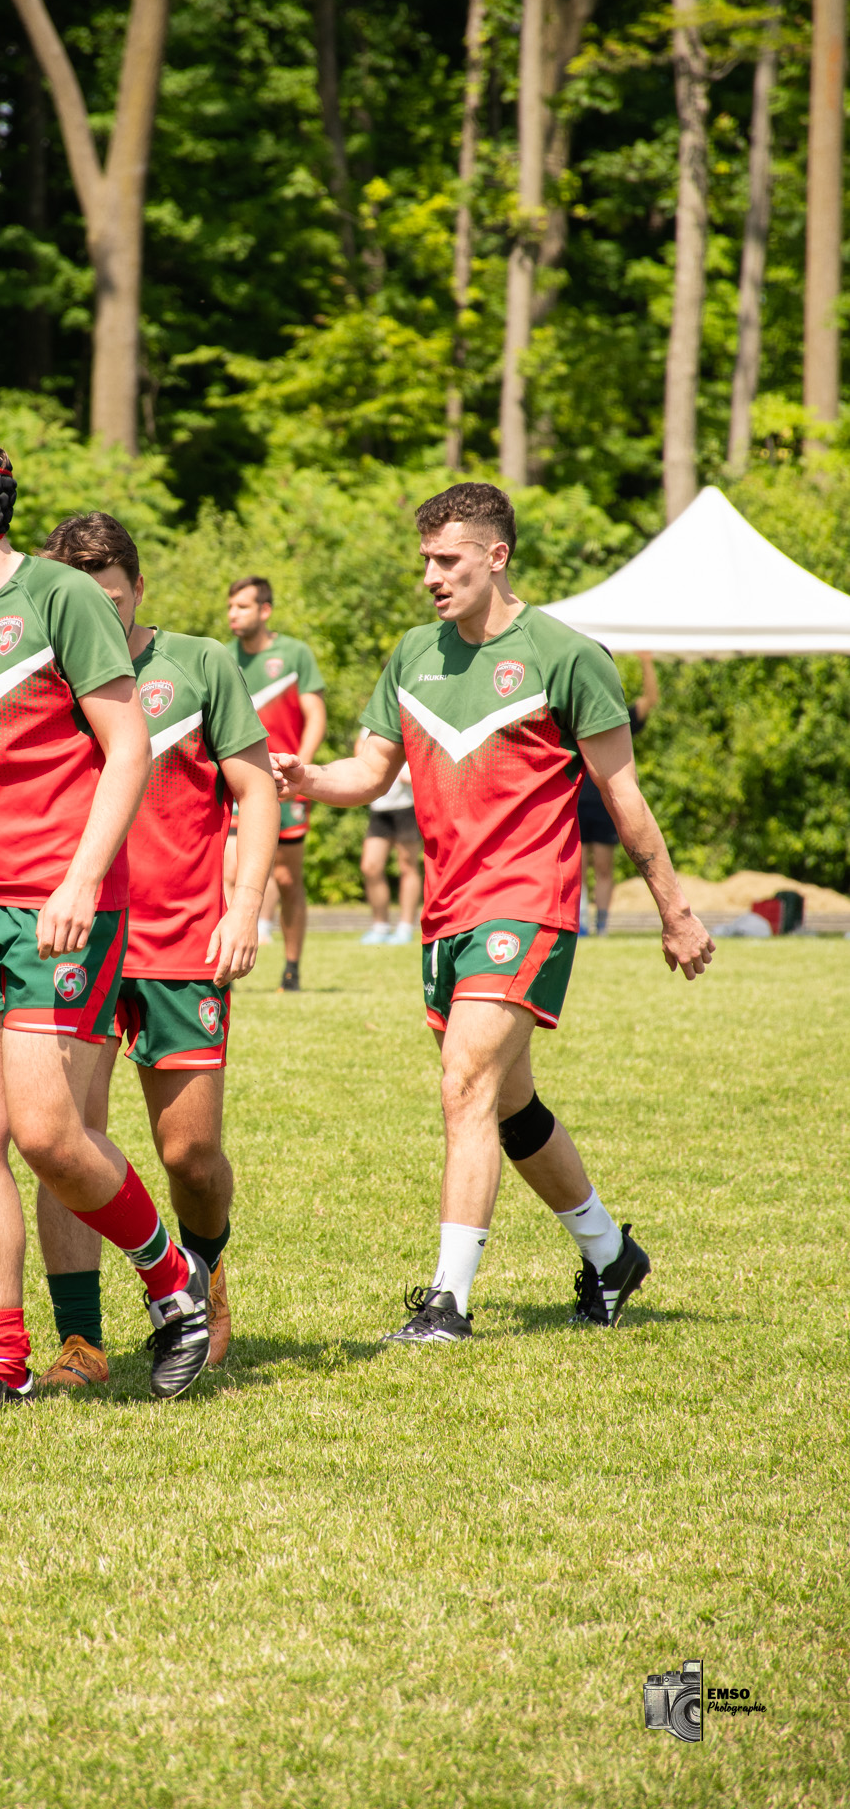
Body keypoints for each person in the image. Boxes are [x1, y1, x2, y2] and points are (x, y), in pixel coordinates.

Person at [273, 481, 713, 1343]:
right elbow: (368, 773)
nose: (431, 577)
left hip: (528, 902)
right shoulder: (413, 654)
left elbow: (620, 795)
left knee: (464, 1084)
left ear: (495, 556)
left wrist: (675, 911)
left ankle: (446, 1302)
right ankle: (610, 1253)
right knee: (509, 1104)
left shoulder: (565, 654)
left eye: (448, 560)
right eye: (425, 561)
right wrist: (309, 778)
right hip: (447, 911)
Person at [0, 435, 214, 1412]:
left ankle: (173, 1281)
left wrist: (82, 878)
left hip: (63, 902)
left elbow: (128, 747)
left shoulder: (62, 598)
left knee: (47, 1131)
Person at [28, 513, 279, 1387]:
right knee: (65, 1136)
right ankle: (79, 1340)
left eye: (109, 598)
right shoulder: (36, 673)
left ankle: (201, 1288)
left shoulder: (201, 663)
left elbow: (253, 786)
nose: (91, 618)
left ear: (137, 589)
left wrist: (243, 908)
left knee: (189, 1156)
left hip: (181, 938)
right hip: (72, 935)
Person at [224, 576, 326, 991]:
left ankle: (291, 969)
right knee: (229, 872)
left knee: (286, 880)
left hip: (286, 783)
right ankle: (226, 965)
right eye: (231, 606)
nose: (234, 614)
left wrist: (301, 772)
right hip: (240, 786)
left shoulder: (294, 654)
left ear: (265, 611)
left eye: (243, 607)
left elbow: (315, 715)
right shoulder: (222, 657)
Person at [579, 653, 658, 933]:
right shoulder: (572, 716)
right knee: (573, 871)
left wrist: (646, 662)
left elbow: (649, 700)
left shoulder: (618, 719)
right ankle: (577, 925)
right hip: (573, 803)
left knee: (602, 868)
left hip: (603, 804)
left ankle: (600, 927)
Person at [358, 734, 421, 946]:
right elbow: (360, 756)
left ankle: (405, 927)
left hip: (407, 805)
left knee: (407, 865)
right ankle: (380, 926)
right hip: (379, 807)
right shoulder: (369, 725)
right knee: (370, 866)